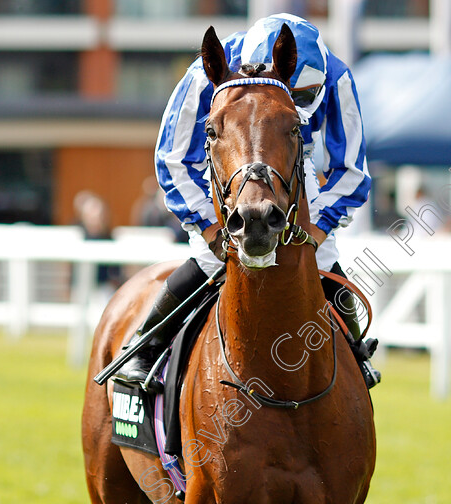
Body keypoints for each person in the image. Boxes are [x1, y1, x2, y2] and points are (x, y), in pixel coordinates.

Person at [114, 13, 379, 390]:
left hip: (291, 154)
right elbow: (172, 157)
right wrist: (207, 228)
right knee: (208, 259)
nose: (303, 104)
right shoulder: (204, 73)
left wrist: (317, 233)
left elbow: (351, 170)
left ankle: (356, 355)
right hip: (226, 161)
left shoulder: (337, 77)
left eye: (307, 96)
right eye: (296, 95)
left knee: (322, 258)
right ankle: (144, 345)